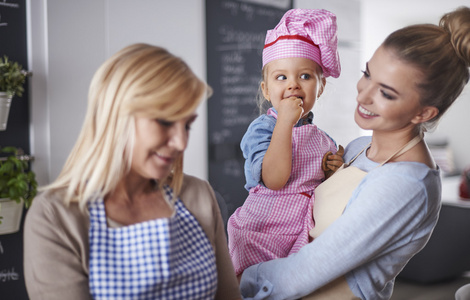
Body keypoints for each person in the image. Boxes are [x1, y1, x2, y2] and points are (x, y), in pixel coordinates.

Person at [240, 6, 470, 300]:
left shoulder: (406, 184)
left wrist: (235, 281)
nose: (362, 95)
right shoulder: (357, 149)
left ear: (424, 112)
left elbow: (302, 273)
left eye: (386, 93)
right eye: (367, 74)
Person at [23, 44, 241, 300]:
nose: (181, 142)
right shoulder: (55, 217)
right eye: (165, 121)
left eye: (187, 125)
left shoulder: (198, 195)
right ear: (116, 115)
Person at [226, 9, 344, 279]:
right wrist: (285, 123)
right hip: (262, 232)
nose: (293, 85)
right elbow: (275, 179)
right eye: (281, 77)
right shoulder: (262, 129)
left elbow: (323, 190)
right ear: (266, 90)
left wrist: (332, 172)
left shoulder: (324, 139)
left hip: (300, 231)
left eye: (305, 76)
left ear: (320, 86)